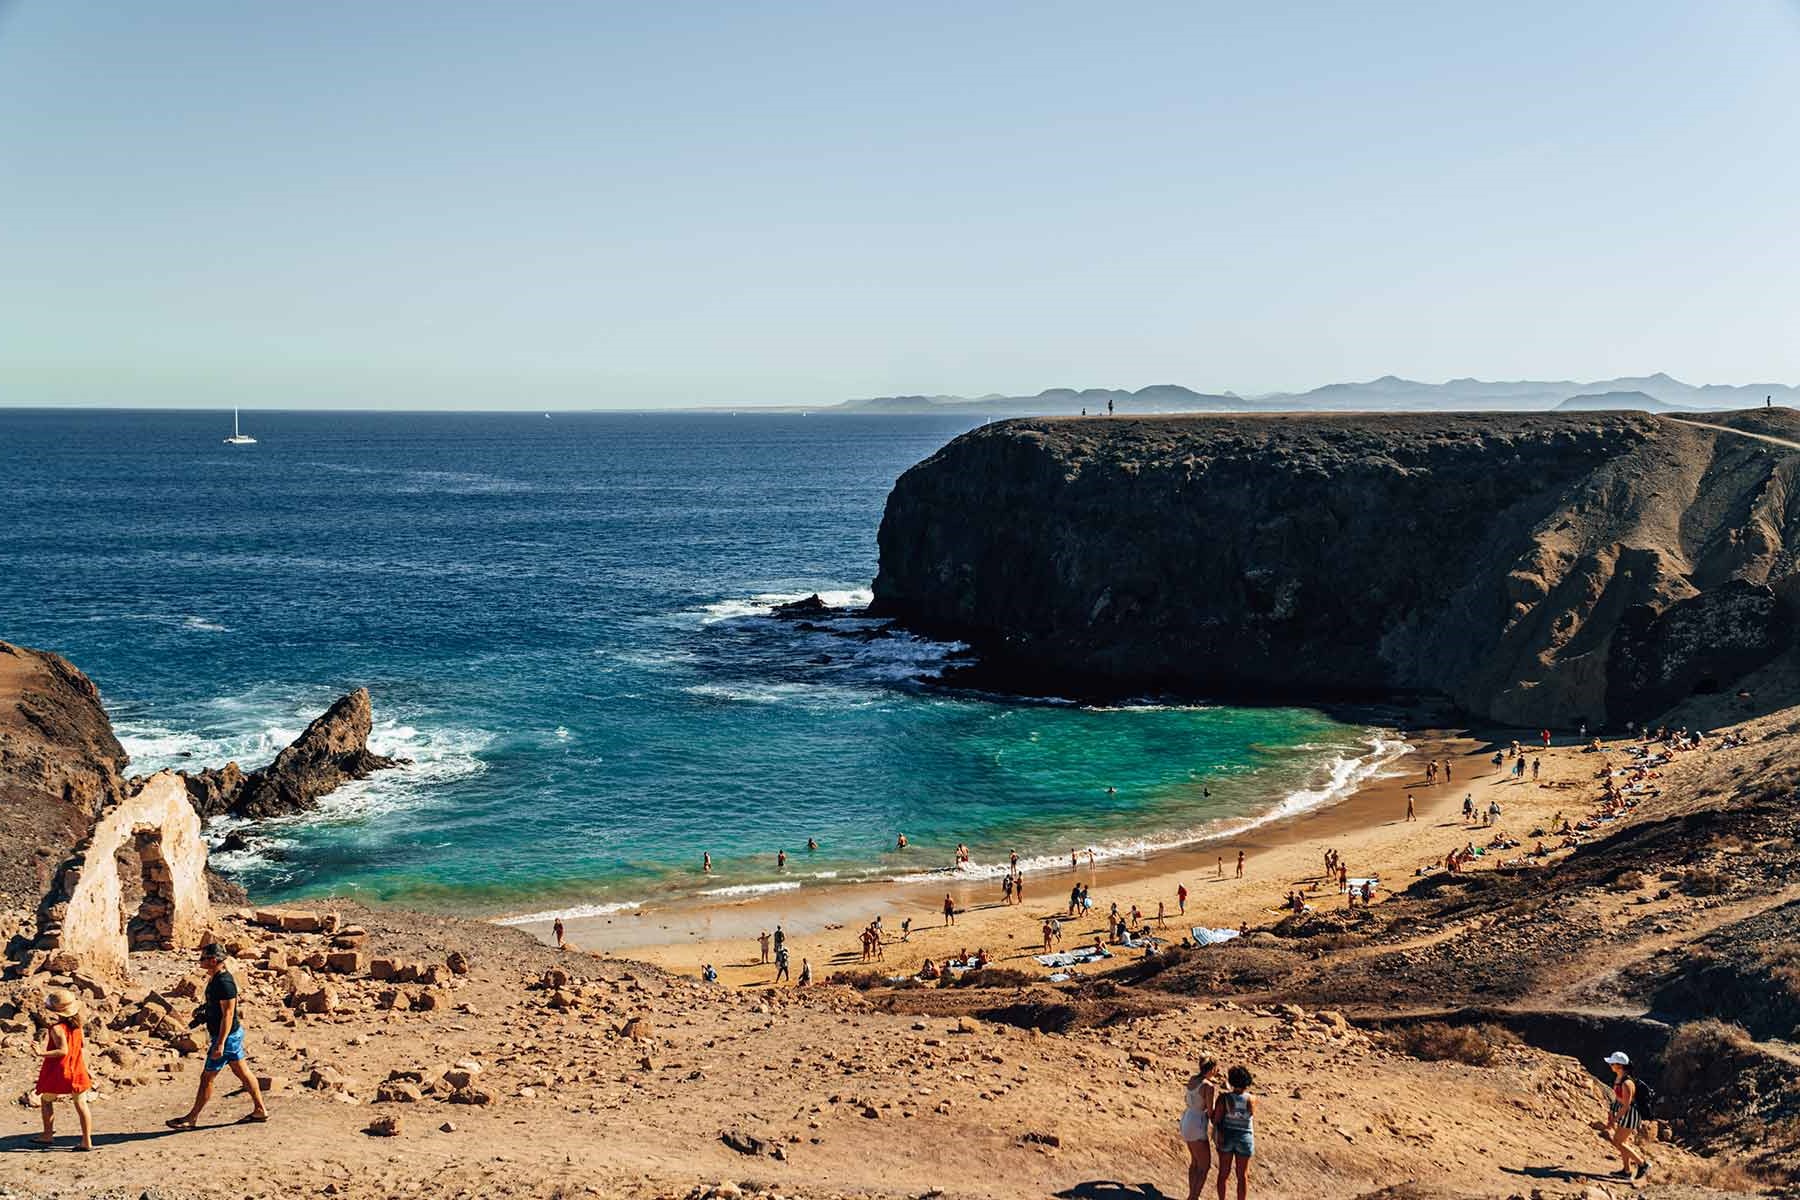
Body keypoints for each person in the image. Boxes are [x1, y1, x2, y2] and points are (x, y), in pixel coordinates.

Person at [167, 943, 268, 1129]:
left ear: (213, 960)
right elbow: (219, 1008)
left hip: (227, 1038)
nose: (200, 962)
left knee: (207, 1077)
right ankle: (260, 1109)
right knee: (243, 1073)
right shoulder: (215, 978)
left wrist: (220, 1044)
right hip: (230, 1036)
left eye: (203, 958)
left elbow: (228, 1014)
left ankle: (192, 1118)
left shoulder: (225, 983)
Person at [34, 989, 92, 1151]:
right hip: (78, 1070)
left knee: (46, 1100)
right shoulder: (78, 1026)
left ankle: (47, 1135)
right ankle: (86, 1141)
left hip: (60, 1071)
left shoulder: (57, 1028)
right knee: (81, 1104)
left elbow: (62, 1051)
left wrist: (40, 1052)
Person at [1211, 1065, 1256, 1200]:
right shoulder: (1252, 1099)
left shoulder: (1224, 1098)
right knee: (1242, 1175)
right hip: (1245, 1138)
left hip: (1227, 1137)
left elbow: (1216, 1119)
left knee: (1223, 1174)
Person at [1179, 1057, 1220, 1200]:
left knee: (1195, 1162)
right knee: (1204, 1165)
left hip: (1187, 1118)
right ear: (1212, 1069)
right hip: (1197, 1122)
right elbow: (1210, 1111)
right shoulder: (1208, 1086)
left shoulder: (1192, 1079)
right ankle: (1194, 1197)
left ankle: (1192, 1194)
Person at [1603, 1051, 1649, 1179]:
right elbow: (1617, 1099)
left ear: (1619, 1065)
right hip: (1625, 1114)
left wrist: (1614, 1119)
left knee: (1617, 1142)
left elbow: (1626, 1105)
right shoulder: (1619, 1079)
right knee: (1621, 1141)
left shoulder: (1626, 1083)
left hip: (1630, 1115)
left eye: (1612, 1063)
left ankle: (1642, 1164)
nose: (1610, 1065)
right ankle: (1626, 1171)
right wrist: (1612, 1112)